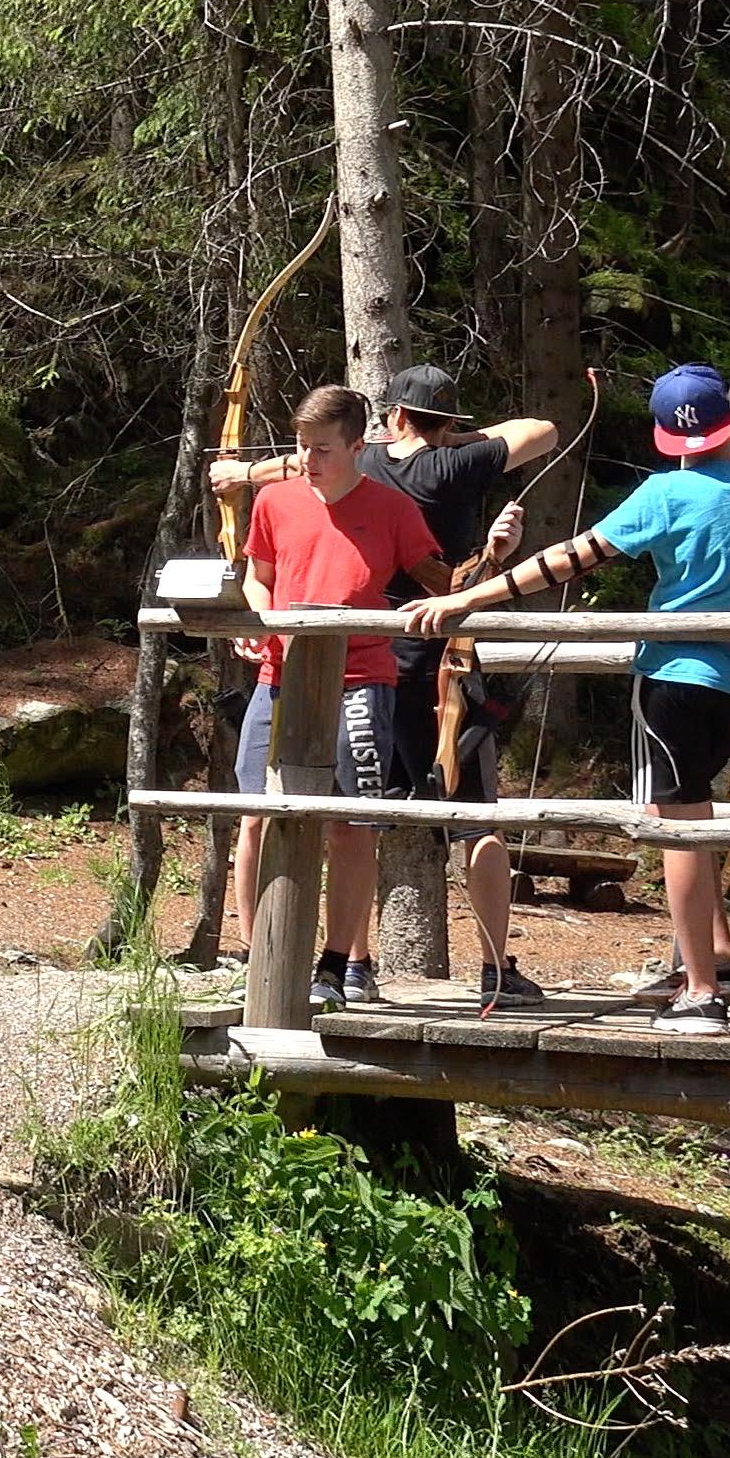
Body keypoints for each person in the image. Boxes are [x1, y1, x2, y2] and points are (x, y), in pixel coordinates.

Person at [405, 363, 730, 1035]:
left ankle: (701, 993)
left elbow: (570, 558)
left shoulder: (663, 494)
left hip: (674, 680)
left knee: (676, 828)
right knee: (697, 820)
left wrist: (469, 596)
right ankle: (720, 961)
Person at [208, 385, 452, 1010]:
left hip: (362, 679)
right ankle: (255, 955)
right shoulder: (275, 500)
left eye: (322, 449)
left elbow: (444, 583)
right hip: (280, 677)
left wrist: (493, 561)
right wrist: (257, 625)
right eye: (301, 446)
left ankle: (340, 963)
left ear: (356, 447)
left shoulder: (392, 509)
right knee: (257, 812)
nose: (308, 460)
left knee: (352, 822)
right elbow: (258, 579)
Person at [360, 365, 563, 1009]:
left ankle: (350, 965)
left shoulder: (363, 463)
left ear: (395, 416)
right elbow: (542, 429)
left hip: (375, 663)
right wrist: (459, 439)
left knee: (361, 819)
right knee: (479, 820)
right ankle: (497, 970)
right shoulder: (457, 463)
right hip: (444, 668)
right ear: (445, 423)